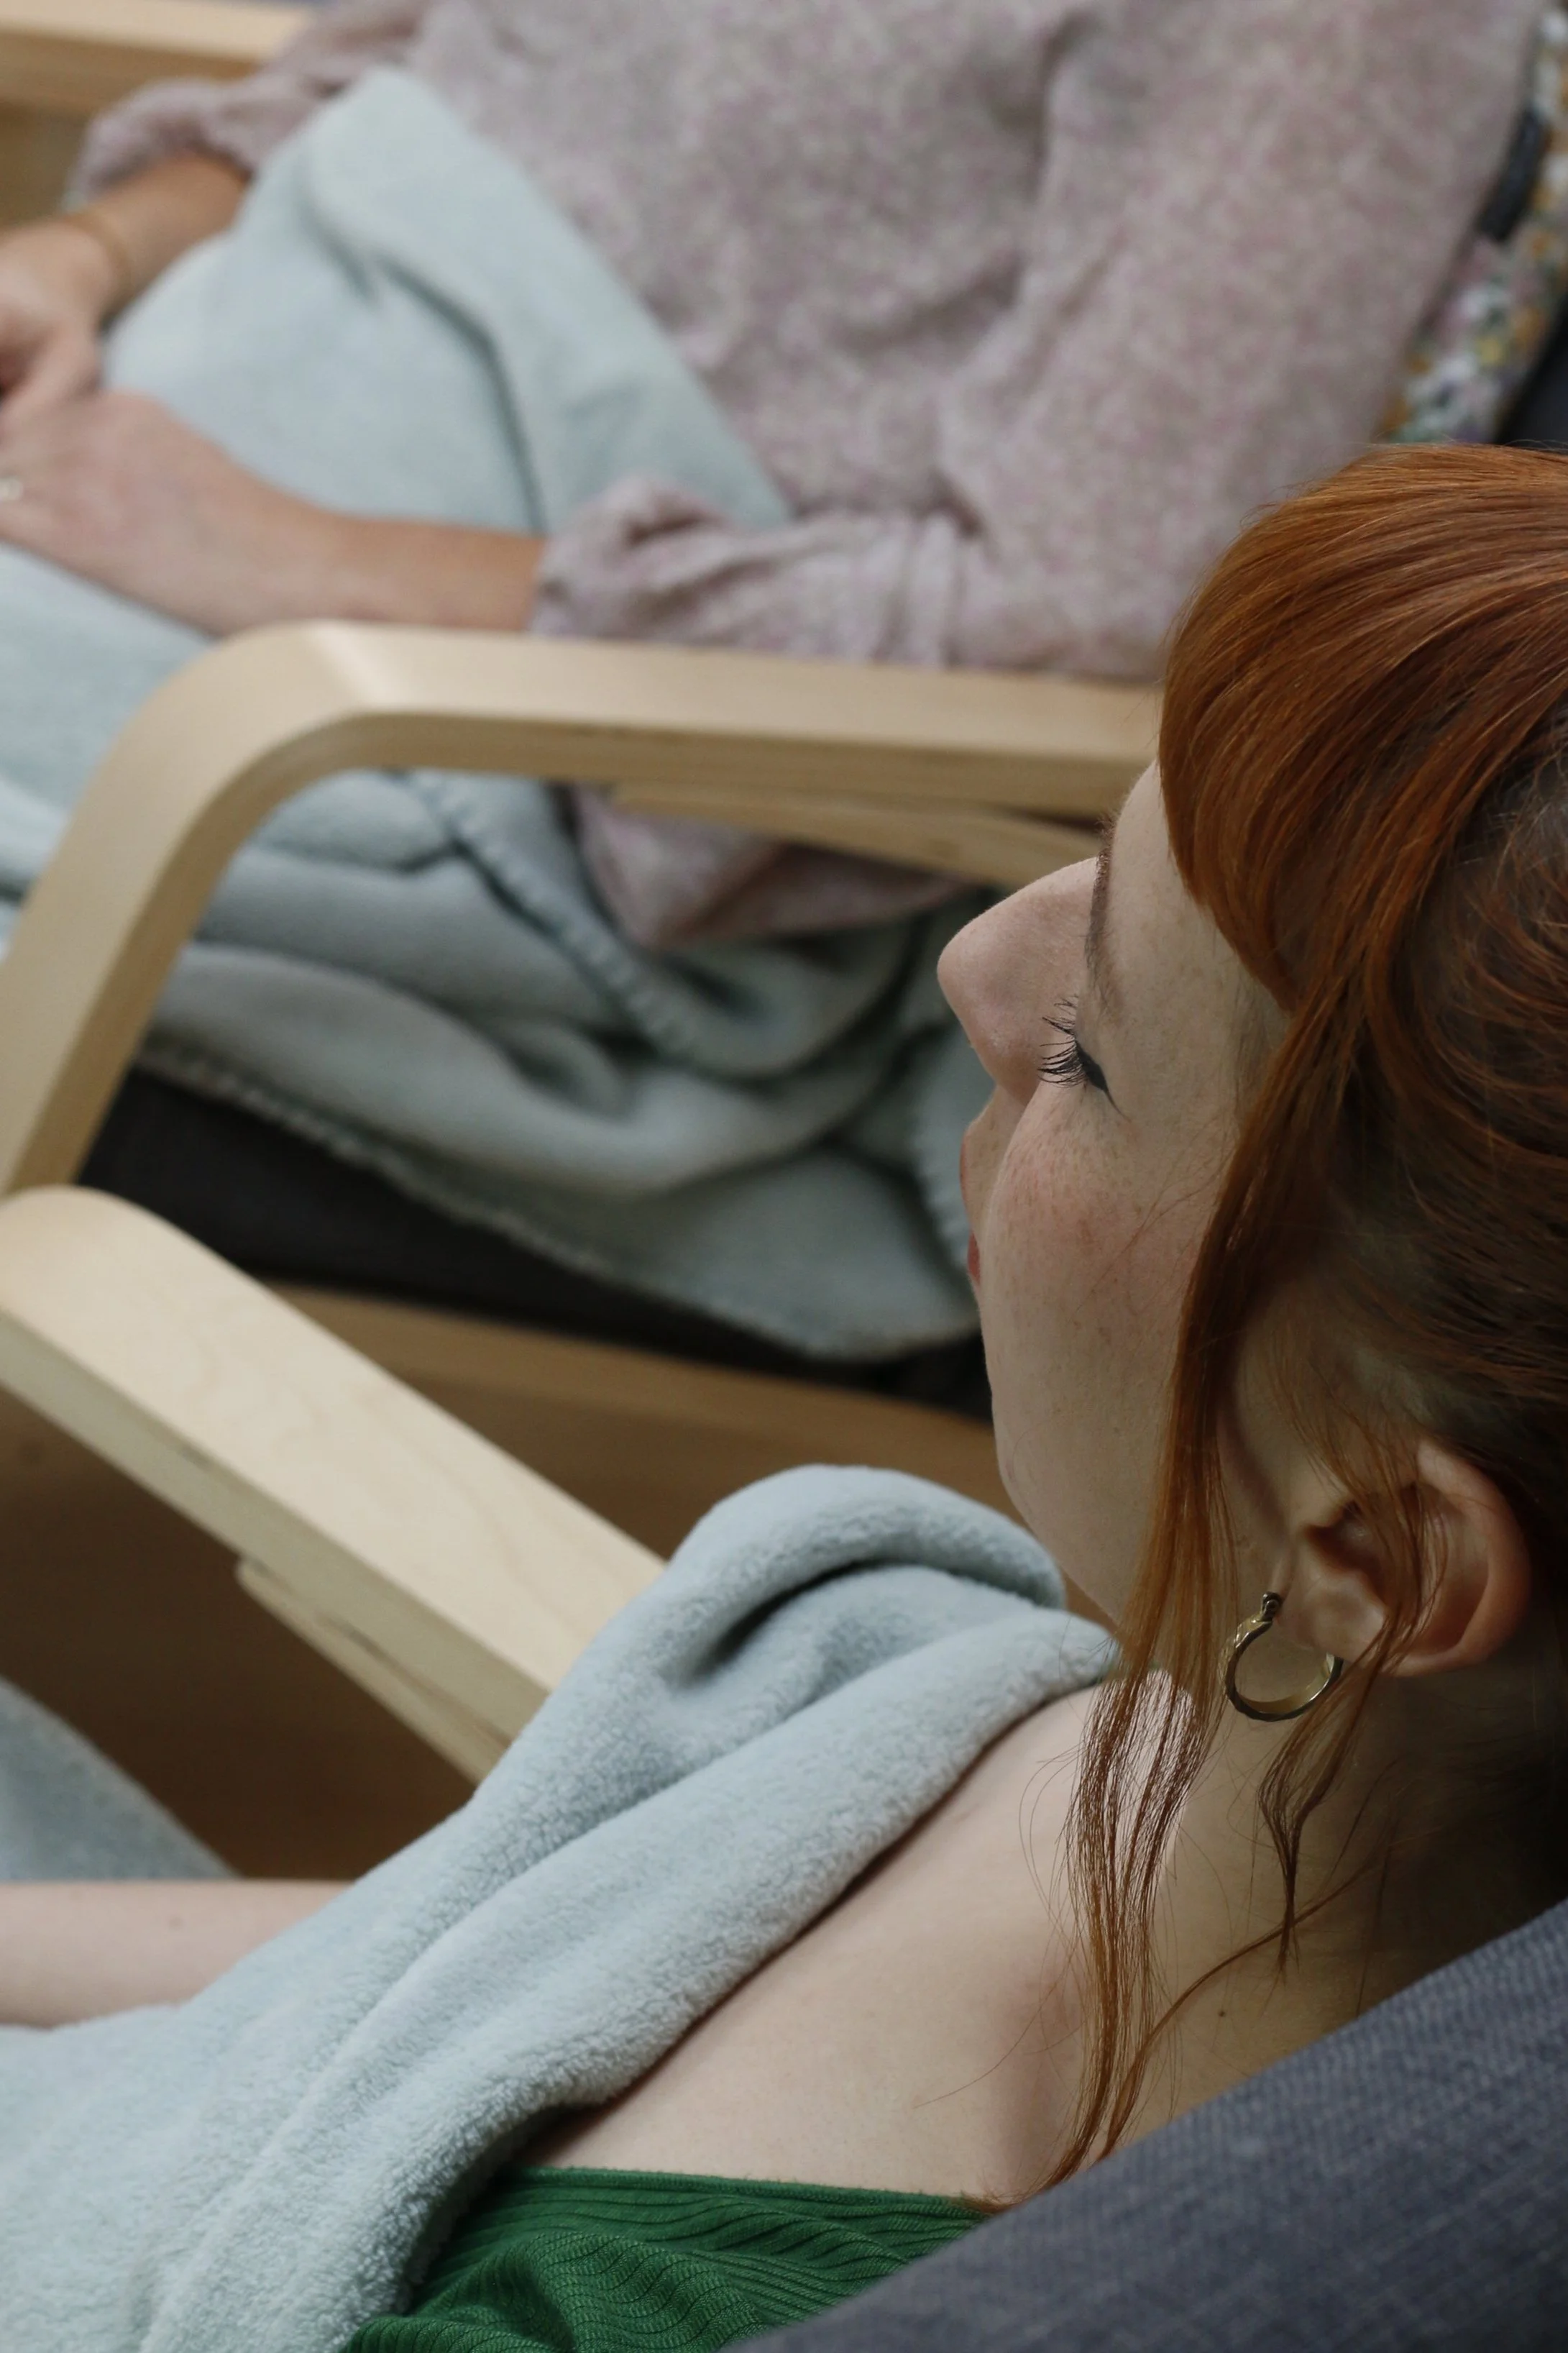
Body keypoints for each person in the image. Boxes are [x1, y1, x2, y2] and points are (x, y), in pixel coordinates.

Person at [5, 439, 1568, 2348]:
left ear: (1382, 1555)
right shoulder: (1151, 1746)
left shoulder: (641, 2309)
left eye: (1088, 1050)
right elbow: (438, 1970)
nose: (973, 968)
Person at [0, 0, 1540, 944]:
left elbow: (1075, 622)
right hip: (139, 435)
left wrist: (303, 561)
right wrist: (87, 256)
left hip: (480, 743)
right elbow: (402, 59)